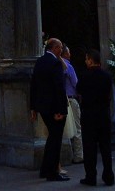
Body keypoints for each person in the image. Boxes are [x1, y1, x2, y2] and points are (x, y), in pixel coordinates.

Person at [31, 38, 70, 182]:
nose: (61, 50)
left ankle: (45, 169)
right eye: (60, 47)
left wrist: (33, 107)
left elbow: (34, 84)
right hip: (55, 108)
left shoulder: (40, 61)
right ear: (54, 48)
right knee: (56, 140)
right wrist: (61, 110)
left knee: (52, 138)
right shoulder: (55, 63)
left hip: (43, 107)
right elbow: (59, 88)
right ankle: (52, 172)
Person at [75, 49, 115, 187]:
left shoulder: (85, 76)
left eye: (86, 59)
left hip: (89, 115)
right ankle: (109, 176)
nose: (85, 61)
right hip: (103, 115)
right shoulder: (106, 76)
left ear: (91, 60)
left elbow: (78, 89)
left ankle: (91, 176)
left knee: (89, 148)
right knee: (106, 147)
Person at [61, 46, 84, 164]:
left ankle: (66, 154)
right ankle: (78, 155)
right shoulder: (68, 66)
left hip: (61, 100)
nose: (70, 55)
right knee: (77, 128)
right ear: (64, 54)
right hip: (71, 99)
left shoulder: (57, 66)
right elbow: (76, 83)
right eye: (68, 53)